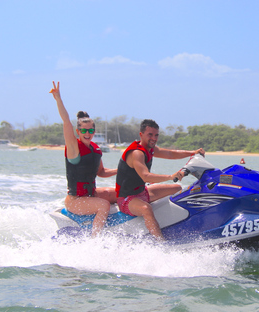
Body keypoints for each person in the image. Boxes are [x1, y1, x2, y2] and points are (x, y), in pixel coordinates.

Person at [115, 119, 205, 240]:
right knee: (146, 209)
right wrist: (170, 176)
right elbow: (145, 176)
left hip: (142, 193)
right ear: (141, 135)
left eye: (156, 135)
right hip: (127, 199)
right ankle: (160, 243)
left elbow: (170, 154)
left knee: (177, 188)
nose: (154, 138)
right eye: (150, 135)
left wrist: (192, 153)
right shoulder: (137, 153)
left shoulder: (151, 148)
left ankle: (183, 222)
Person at [50, 81, 117, 237]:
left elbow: (101, 172)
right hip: (75, 201)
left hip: (90, 195)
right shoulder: (74, 148)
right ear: (78, 131)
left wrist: (124, 169)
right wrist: (58, 99)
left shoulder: (95, 149)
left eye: (91, 130)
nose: (88, 133)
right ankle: (95, 240)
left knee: (121, 192)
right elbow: (66, 121)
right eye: (84, 130)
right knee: (103, 205)